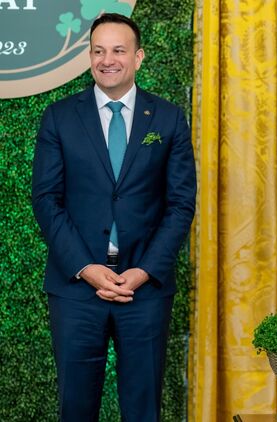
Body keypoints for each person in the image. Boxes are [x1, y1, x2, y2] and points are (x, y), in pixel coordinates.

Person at [31, 13, 196, 421]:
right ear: (90, 57)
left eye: (119, 50)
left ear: (138, 57)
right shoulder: (59, 117)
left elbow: (180, 204)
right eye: (99, 51)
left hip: (145, 290)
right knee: (75, 408)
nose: (108, 60)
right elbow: (47, 200)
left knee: (143, 410)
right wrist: (86, 268)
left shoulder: (168, 118)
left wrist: (144, 271)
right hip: (76, 290)